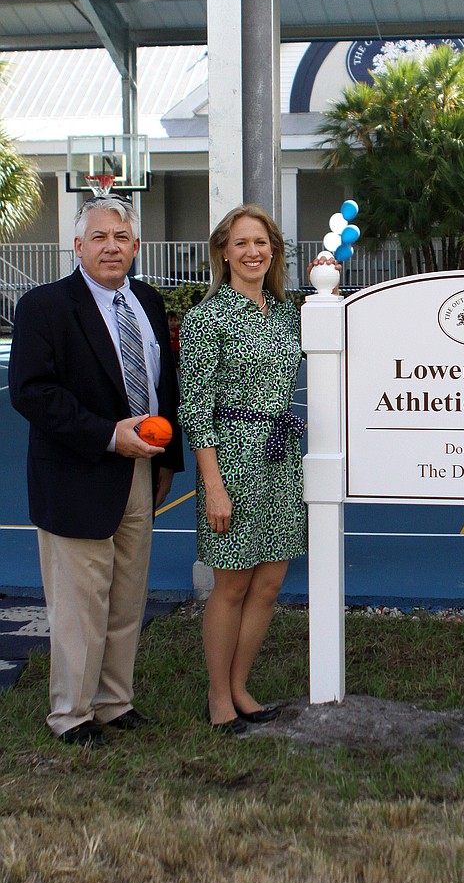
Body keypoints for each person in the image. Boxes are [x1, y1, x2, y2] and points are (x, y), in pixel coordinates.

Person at [9, 197, 183, 747]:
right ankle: (71, 715)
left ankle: (114, 702)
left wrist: (166, 462)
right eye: (100, 237)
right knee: (80, 605)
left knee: (127, 597)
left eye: (122, 237)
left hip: (140, 472)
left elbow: (164, 386)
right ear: (78, 247)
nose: (113, 246)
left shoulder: (148, 303)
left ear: (135, 246)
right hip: (78, 470)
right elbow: (32, 392)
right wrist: (110, 435)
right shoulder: (45, 306)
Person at [178, 206, 307, 734]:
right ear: (223, 252)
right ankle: (217, 697)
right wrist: (212, 485)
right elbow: (194, 407)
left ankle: (240, 685)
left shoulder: (285, 313)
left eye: (262, 242)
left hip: (278, 459)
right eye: (242, 242)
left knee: (270, 582)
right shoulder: (207, 318)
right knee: (230, 586)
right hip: (231, 459)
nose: (253, 251)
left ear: (272, 250)